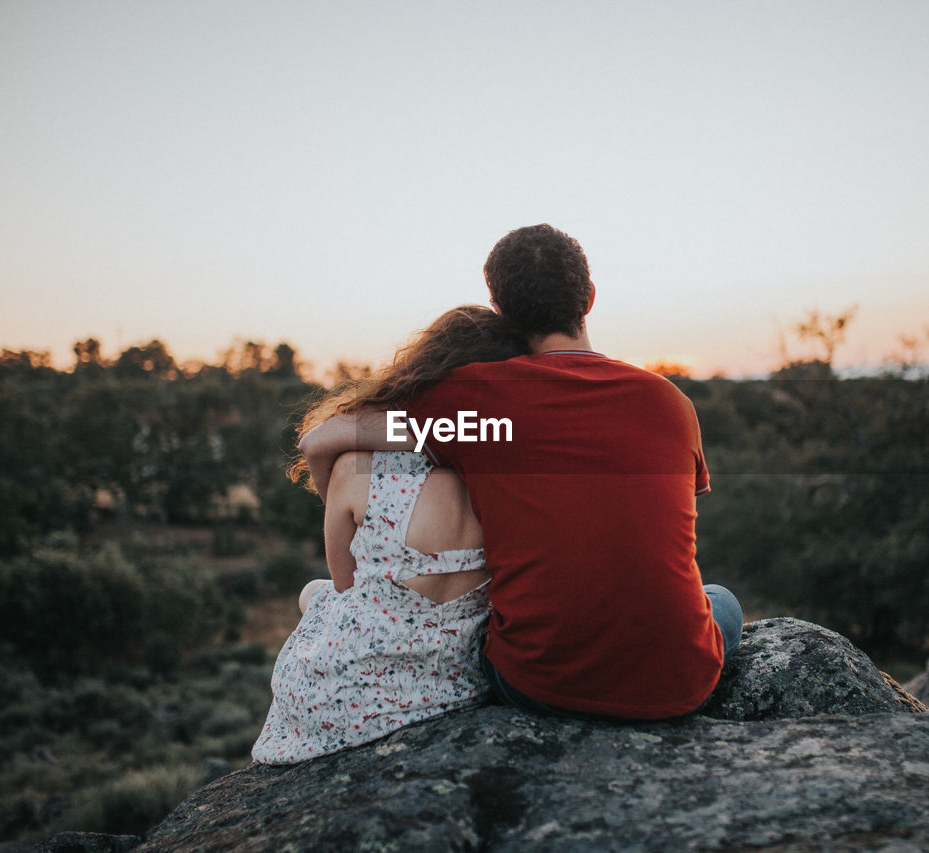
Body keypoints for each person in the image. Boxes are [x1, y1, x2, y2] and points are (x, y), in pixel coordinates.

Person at [299, 224, 743, 721]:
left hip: (536, 685)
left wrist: (342, 504)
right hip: (679, 686)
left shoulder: (479, 403)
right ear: (589, 298)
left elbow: (320, 440)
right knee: (720, 599)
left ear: (502, 313)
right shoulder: (669, 403)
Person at [251, 306, 527, 764]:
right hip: (454, 682)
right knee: (315, 594)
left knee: (317, 593)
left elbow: (346, 585)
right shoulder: (516, 465)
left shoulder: (357, 465)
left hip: (336, 698)